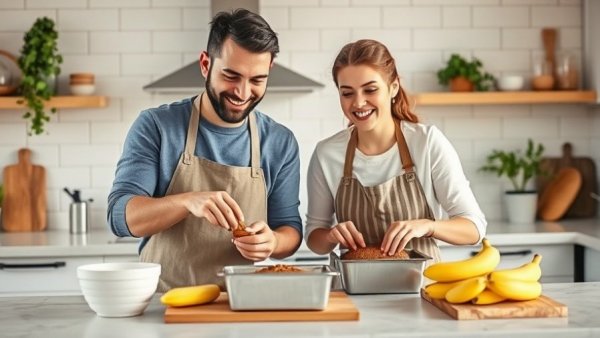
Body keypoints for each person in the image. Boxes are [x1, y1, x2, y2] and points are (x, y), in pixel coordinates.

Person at [107, 9, 302, 291]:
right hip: (165, 303)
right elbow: (120, 217)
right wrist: (186, 202)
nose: (243, 92)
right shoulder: (157, 126)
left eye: (257, 80)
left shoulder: (280, 142)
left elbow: (290, 231)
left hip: (239, 302)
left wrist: (272, 241)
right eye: (231, 76)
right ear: (205, 64)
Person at [305, 39, 486, 263]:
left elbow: (474, 227)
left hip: (422, 288)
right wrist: (331, 236)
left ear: (393, 87)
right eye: (347, 93)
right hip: (355, 288)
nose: (359, 103)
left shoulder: (426, 142)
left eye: (370, 90)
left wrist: (427, 226)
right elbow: (314, 238)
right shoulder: (327, 154)